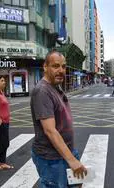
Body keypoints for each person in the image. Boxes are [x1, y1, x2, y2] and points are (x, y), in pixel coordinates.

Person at [30, 51, 87, 188]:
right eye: (56, 66)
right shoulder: (42, 91)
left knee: (76, 184)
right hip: (51, 158)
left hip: (65, 152)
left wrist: (72, 156)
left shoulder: (55, 87)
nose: (61, 70)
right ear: (45, 67)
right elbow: (50, 131)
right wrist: (72, 160)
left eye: (63, 66)